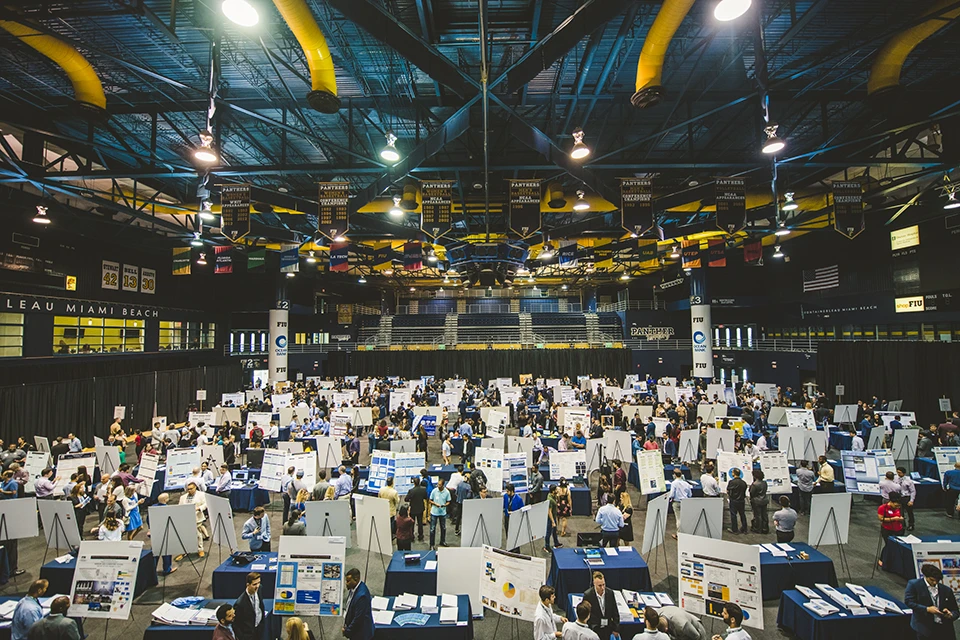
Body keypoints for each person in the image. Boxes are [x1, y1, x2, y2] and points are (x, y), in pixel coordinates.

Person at [906, 563, 959, 640]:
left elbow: (956, 611)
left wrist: (951, 615)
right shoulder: (914, 585)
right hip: (924, 628)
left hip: (944, 630)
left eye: (937, 581)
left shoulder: (946, 590)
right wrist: (927, 609)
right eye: (932, 580)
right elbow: (909, 602)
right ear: (925, 577)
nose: (934, 583)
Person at [582, 571, 619, 640]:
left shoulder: (610, 593)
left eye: (604, 584)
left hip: (608, 628)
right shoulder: (588, 595)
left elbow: (615, 612)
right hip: (594, 629)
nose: (602, 588)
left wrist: (616, 629)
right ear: (594, 584)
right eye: (600, 585)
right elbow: (586, 613)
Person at [342, 568, 374, 640]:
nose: (346, 583)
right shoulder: (353, 588)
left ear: (356, 580)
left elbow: (358, 619)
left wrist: (347, 631)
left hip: (360, 635)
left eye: (348, 581)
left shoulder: (361, 596)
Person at [178, 480, 208, 558]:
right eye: (188, 489)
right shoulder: (183, 497)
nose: (189, 490)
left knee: (198, 534)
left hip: (197, 517)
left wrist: (199, 508)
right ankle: (184, 551)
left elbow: (205, 504)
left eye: (191, 488)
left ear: (195, 488)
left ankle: (200, 549)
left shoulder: (201, 495)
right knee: (184, 535)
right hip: (185, 519)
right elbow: (179, 507)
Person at [233, 573, 266, 640]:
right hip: (248, 634)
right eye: (254, 584)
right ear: (248, 585)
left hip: (259, 629)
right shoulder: (240, 604)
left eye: (258, 583)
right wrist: (242, 637)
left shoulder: (259, 589)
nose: (257, 586)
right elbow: (236, 624)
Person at [877, 492, 905, 567]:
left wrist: (901, 519)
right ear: (891, 502)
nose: (897, 507)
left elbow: (901, 515)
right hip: (887, 530)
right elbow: (881, 518)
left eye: (899, 506)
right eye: (896, 505)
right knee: (888, 545)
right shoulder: (882, 508)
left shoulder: (899, 507)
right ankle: (882, 559)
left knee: (897, 546)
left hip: (899, 529)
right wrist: (893, 519)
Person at [668, 469, 692, 538]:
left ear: (674, 475)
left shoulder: (674, 483)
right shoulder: (686, 484)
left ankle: (679, 535)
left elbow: (672, 494)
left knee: (678, 519)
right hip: (685, 502)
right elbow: (690, 494)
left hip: (676, 502)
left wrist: (670, 499)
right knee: (685, 518)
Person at [428, 477, 450, 549]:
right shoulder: (434, 491)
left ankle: (442, 541)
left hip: (442, 513)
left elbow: (448, 501)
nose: (438, 486)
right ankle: (432, 544)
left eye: (440, 485)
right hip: (434, 512)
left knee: (443, 528)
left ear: (443, 485)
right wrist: (435, 504)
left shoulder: (447, 492)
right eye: (438, 484)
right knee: (432, 529)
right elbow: (430, 500)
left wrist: (444, 505)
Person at [726, 468, 748, 535]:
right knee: (742, 514)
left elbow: (728, 490)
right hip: (741, 500)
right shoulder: (744, 483)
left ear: (733, 474)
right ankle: (744, 528)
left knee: (733, 515)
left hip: (734, 500)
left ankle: (734, 529)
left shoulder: (731, 482)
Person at [405, 477, 428, 542]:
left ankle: (411, 537)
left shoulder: (411, 491)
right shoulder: (423, 489)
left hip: (413, 509)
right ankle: (420, 536)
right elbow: (425, 497)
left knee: (412, 523)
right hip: (420, 508)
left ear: (414, 483)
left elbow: (406, 499)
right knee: (420, 523)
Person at [897, 466, 917, 530]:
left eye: (900, 473)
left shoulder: (909, 481)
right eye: (897, 472)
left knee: (909, 512)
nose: (898, 474)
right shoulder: (896, 479)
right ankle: (902, 524)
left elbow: (913, 491)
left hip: (906, 497)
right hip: (899, 497)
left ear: (904, 473)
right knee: (900, 512)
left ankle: (911, 524)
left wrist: (911, 500)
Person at [748, 470, 768, 534]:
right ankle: (765, 528)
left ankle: (758, 528)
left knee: (758, 515)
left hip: (756, 501)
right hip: (764, 500)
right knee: (764, 515)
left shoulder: (754, 484)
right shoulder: (764, 483)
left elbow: (752, 493)